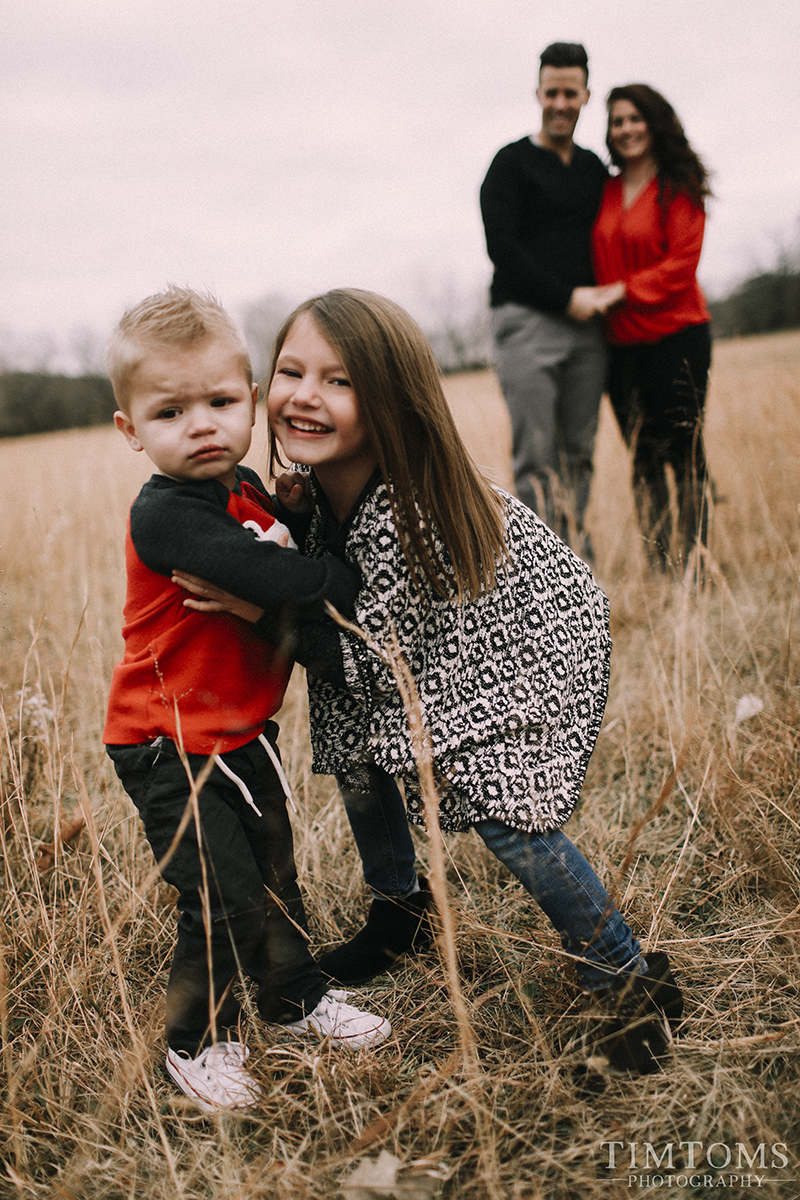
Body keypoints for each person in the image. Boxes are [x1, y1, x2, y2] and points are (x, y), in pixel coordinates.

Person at [174, 288, 684, 1075]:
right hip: (420, 647)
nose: (305, 395)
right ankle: (401, 908)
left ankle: (624, 972)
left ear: (391, 402)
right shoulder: (324, 491)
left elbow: (370, 655)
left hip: (522, 646)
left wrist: (254, 605)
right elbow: (352, 643)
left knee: (498, 799)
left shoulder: (405, 513)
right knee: (358, 747)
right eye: (291, 371)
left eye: (339, 381)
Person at [103, 287, 391, 1116]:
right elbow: (296, 581)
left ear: (251, 403)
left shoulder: (247, 491)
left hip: (237, 732)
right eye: (170, 411)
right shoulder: (169, 517)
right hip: (167, 742)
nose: (202, 424)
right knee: (219, 892)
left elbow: (282, 547)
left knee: (273, 871)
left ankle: (295, 996)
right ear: (132, 431)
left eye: (221, 402)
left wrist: (292, 517)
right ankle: (197, 1042)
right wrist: (326, 573)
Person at [479, 42, 618, 561]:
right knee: (537, 455)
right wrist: (566, 298)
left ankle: (574, 558)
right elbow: (503, 250)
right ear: (538, 92)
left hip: (588, 330)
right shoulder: (509, 164)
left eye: (571, 93)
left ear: (586, 95)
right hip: (526, 324)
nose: (561, 103)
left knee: (579, 452)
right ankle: (541, 570)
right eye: (552, 92)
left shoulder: (592, 171)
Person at [591, 84, 713, 568]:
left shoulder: (679, 184)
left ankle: (697, 562)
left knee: (683, 448)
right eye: (617, 121)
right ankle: (663, 563)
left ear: (655, 122)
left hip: (677, 335)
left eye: (635, 119)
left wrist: (623, 289)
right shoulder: (603, 190)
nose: (626, 130)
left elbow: (682, 263)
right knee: (642, 455)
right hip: (620, 346)